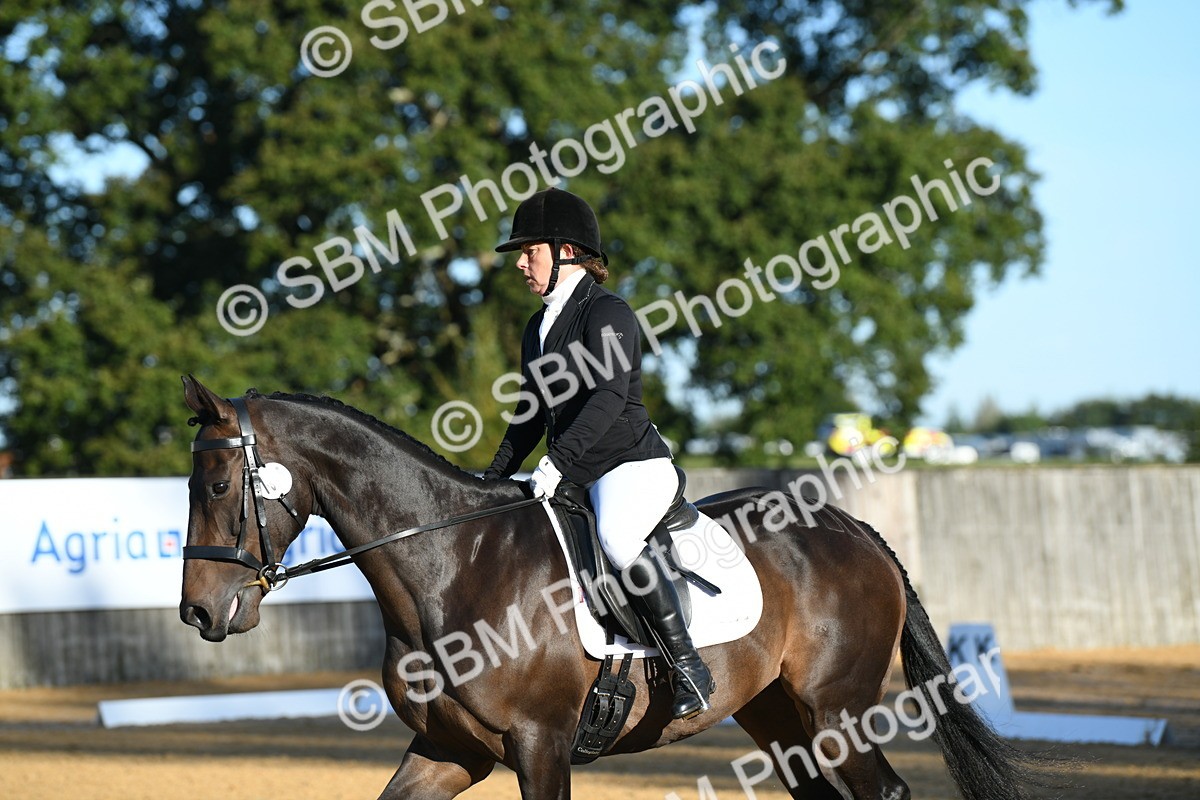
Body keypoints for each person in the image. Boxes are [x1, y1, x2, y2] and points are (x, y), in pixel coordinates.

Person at [482, 187, 714, 720]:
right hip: (579, 469)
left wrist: (558, 462)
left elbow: (610, 397)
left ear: (566, 251)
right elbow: (530, 415)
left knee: (616, 534)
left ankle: (689, 668)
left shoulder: (607, 313)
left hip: (631, 465)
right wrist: (491, 481)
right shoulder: (537, 328)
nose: (521, 264)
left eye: (529, 252)